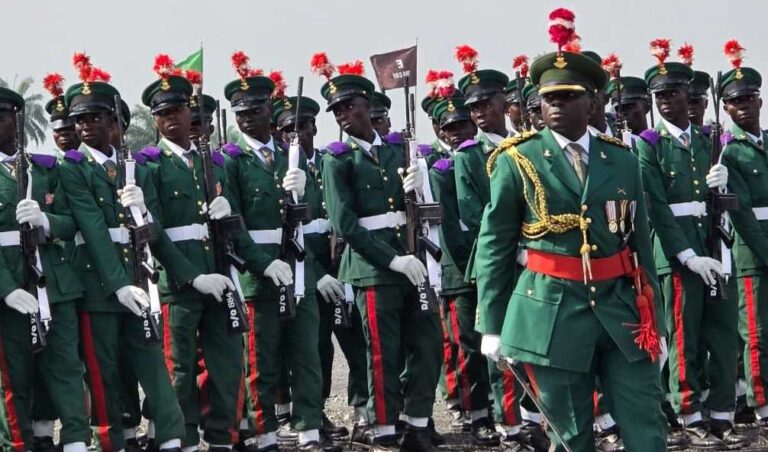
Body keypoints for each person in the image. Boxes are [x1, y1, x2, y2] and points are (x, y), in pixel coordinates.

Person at [476, 44, 668, 450]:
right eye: (549, 98)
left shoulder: (622, 159)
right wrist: (491, 324)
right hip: (551, 312)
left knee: (646, 423)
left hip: (621, 310)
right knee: (570, 435)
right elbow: (495, 246)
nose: (557, 105)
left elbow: (640, 242)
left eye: (568, 96)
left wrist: (658, 322)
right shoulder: (517, 159)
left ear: (593, 102)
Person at [58, 54, 201, 452]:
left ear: (113, 122)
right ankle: (109, 439)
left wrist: (144, 213)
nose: (86, 126)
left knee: (153, 360)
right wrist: (118, 284)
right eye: (80, 121)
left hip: (140, 278)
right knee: (102, 369)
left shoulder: (135, 167)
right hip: (99, 284)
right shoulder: (73, 169)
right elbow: (92, 227)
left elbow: (153, 231)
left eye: (95, 118)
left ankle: (170, 435)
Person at [316, 55, 442, 451]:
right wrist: (392, 260)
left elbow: (421, 211)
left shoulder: (397, 150)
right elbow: (346, 225)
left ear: (367, 105)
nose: (343, 115)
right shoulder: (337, 159)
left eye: (349, 106)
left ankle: (416, 421)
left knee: (427, 343)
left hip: (412, 259)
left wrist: (421, 183)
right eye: (337, 110)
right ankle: (384, 427)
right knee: (382, 352)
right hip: (374, 269)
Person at [636, 42, 747, 449]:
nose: (666, 101)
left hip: (715, 247)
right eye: (659, 95)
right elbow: (655, 206)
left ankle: (721, 413)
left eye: (673, 93)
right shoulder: (650, 144)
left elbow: (731, 201)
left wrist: (725, 186)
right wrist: (686, 255)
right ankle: (689, 413)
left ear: (689, 94)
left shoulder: (708, 139)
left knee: (722, 333)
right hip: (678, 254)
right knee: (684, 336)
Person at [222, 51, 331, 452]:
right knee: (261, 360)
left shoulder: (292, 155)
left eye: (255, 110)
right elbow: (234, 225)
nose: (248, 118)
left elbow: (315, 211)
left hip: (298, 267)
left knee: (306, 354)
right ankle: (265, 432)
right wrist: (264, 266)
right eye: (241, 113)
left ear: (271, 109)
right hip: (259, 275)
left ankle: (309, 430)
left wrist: (304, 188)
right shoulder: (231, 161)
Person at [138, 59, 242, 451]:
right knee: (178, 369)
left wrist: (229, 214)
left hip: (218, 273)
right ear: (155, 120)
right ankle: (180, 438)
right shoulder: (151, 165)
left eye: (177, 110)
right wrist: (193, 276)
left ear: (189, 112)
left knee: (227, 363)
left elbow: (234, 226)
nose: (171, 119)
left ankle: (222, 438)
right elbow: (155, 232)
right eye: (163, 114)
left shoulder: (211, 162)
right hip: (179, 284)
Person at [0, 85, 92, 452]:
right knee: (14, 377)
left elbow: (72, 223)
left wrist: (46, 220)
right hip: (10, 287)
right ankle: (17, 444)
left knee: (67, 368)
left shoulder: (45, 169)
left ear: (16, 120)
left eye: (2, 117)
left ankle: (76, 441)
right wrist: (6, 289)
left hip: (55, 283)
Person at [274, 93, 369, 443]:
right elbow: (288, 236)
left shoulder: (332, 161)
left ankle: (364, 410)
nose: (296, 135)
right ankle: (314, 411)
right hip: (306, 271)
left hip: (343, 264)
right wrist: (317, 274)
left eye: (302, 126)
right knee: (314, 348)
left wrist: (343, 269)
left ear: (314, 127)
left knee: (357, 340)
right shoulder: (281, 171)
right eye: (288, 130)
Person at [428, 89, 502, 448]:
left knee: (498, 342)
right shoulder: (443, 170)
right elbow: (450, 229)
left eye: (461, 125)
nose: (456, 132)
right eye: (449, 128)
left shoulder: (488, 157)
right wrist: (473, 268)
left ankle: (504, 410)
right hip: (461, 270)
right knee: (469, 346)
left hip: (493, 263)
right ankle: (477, 415)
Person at [718, 47, 768, 442]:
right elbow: (742, 213)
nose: (744, 106)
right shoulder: (728, 152)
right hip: (753, 254)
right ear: (726, 109)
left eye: (749, 98)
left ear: (760, 101)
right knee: (756, 334)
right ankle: (762, 407)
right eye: (736, 102)